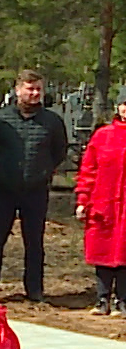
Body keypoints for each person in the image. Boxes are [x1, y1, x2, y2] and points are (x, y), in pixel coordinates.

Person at [0, 70, 68, 303]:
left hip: (36, 190)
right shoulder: (0, 120)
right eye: (30, 88)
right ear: (18, 90)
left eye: (38, 89)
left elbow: (59, 151)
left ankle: (34, 289)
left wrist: (45, 171)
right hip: (4, 189)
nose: (34, 93)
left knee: (34, 241)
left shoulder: (52, 122)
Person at [75, 90, 126, 315]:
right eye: (124, 103)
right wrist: (83, 199)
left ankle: (122, 300)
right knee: (103, 252)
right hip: (104, 204)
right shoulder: (103, 136)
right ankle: (102, 298)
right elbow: (89, 169)